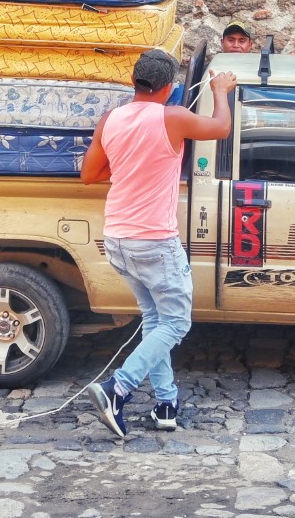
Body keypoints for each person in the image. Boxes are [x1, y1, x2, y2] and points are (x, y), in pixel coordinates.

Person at [79, 49, 237, 438]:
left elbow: (89, 174)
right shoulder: (173, 117)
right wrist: (220, 91)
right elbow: (220, 128)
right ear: (169, 87)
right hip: (153, 241)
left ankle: (166, 404)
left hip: (117, 238)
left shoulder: (111, 119)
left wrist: (130, 161)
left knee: (155, 320)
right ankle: (117, 388)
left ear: (134, 81)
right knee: (177, 322)